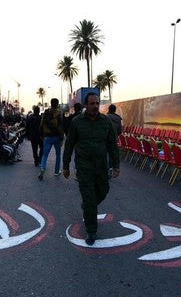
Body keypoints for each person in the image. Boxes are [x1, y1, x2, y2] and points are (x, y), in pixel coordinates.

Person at [63, 92, 120, 246]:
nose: (95, 106)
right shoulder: (76, 122)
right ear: (86, 105)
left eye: (97, 103)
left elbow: (112, 145)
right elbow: (69, 144)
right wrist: (66, 165)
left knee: (103, 191)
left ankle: (89, 205)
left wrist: (116, 165)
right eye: (92, 103)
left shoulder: (105, 121)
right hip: (84, 167)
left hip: (101, 166)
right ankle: (91, 230)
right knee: (89, 199)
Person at [38, 98, 64, 180]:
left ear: (51, 103)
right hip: (56, 136)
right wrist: (61, 138)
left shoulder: (46, 113)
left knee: (45, 155)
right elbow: (60, 127)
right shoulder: (59, 113)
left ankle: (42, 167)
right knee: (58, 155)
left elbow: (41, 124)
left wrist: (41, 134)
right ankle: (56, 171)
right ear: (57, 104)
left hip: (47, 136)